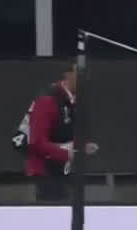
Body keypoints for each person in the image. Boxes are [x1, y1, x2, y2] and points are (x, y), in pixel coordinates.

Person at [15, 60, 99, 203]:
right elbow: (37, 143)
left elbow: (62, 134)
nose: (85, 78)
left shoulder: (73, 100)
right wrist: (68, 154)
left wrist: (80, 146)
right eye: (80, 73)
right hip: (46, 174)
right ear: (67, 74)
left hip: (63, 171)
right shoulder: (48, 100)